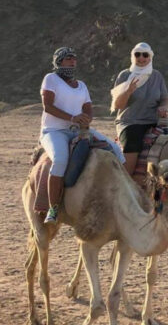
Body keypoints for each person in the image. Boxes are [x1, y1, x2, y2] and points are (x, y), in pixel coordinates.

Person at [40, 47, 125, 224]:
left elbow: (87, 108)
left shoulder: (82, 85)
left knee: (116, 149)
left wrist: (86, 120)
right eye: (68, 58)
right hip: (54, 131)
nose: (72, 61)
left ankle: (128, 195)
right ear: (59, 61)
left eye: (74, 58)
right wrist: (72, 118)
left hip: (78, 129)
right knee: (60, 159)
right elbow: (47, 106)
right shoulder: (51, 79)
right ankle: (53, 208)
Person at [111, 42, 168, 176]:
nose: (141, 58)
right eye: (138, 54)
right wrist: (128, 91)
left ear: (150, 57)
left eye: (145, 55)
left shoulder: (156, 76)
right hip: (131, 121)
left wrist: (163, 107)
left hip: (153, 120)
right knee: (132, 145)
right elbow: (118, 106)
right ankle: (127, 181)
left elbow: (164, 98)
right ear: (133, 56)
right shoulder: (125, 76)